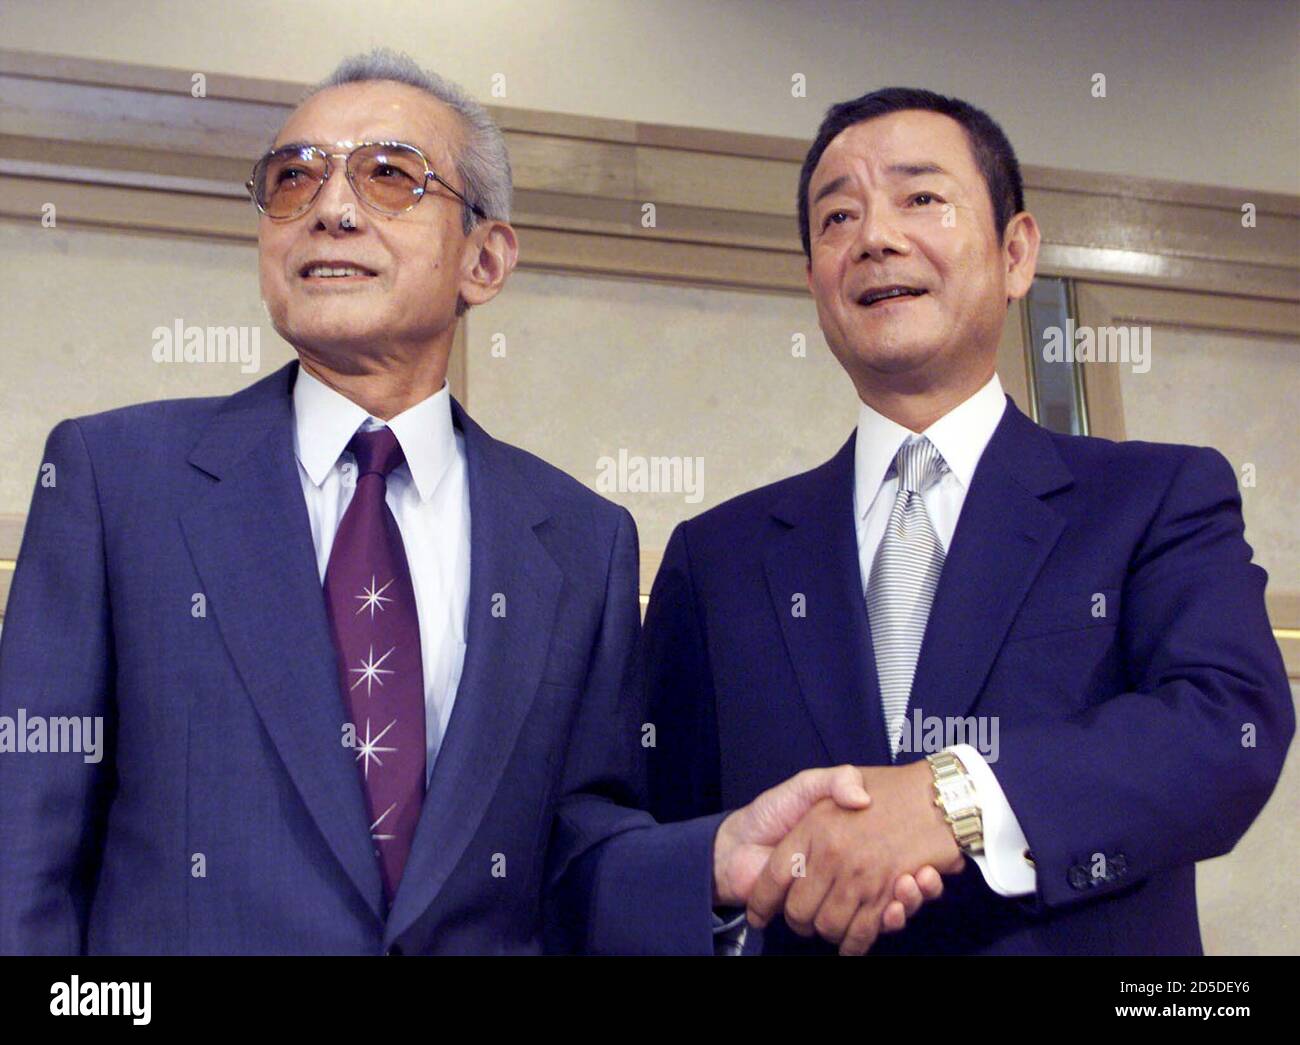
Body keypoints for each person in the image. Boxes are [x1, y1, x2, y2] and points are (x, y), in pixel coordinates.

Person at [0, 52, 940, 955]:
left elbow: (575, 848)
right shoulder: (116, 478)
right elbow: (23, 850)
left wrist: (711, 860)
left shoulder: (581, 539)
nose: (329, 209)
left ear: (484, 261)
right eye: (292, 179)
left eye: (388, 176)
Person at [643, 86, 1294, 955]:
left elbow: (1227, 726)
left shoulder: (1157, 497)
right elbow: (668, 839)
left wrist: (953, 799)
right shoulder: (717, 557)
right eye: (838, 217)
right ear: (813, 281)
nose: (874, 237)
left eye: (921, 198)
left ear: (1016, 251)